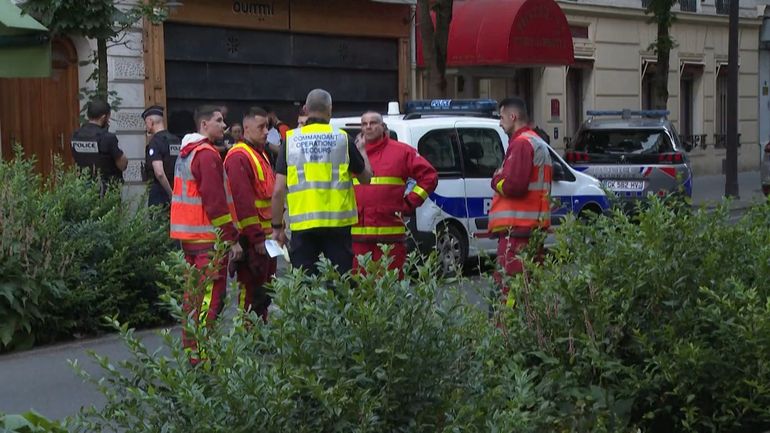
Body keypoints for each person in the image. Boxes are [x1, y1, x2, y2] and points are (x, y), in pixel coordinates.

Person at [271, 89, 373, 276]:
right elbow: (366, 179)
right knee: (341, 285)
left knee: (303, 286)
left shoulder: (290, 141)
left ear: (305, 109)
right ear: (330, 110)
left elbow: (278, 190)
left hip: (303, 226)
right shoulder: (343, 139)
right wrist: (363, 151)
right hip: (338, 226)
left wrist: (277, 227)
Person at [170, 105, 243, 362]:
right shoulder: (207, 154)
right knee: (211, 298)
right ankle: (202, 357)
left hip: (189, 238)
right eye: (219, 121)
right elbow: (215, 202)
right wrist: (231, 238)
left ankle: (193, 353)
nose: (224, 126)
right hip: (209, 240)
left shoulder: (186, 153)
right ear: (204, 125)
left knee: (193, 297)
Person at [352, 111, 438, 278]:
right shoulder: (352, 154)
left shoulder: (401, 152)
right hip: (358, 239)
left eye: (374, 122)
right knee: (360, 294)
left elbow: (430, 176)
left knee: (391, 293)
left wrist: (410, 202)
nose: (368, 126)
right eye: (364, 123)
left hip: (390, 240)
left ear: (383, 127)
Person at [489, 97, 552, 303]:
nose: (500, 122)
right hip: (530, 230)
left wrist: (496, 179)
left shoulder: (521, 144)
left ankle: (507, 332)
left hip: (516, 233)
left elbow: (514, 186)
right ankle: (531, 331)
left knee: (508, 290)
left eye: (501, 117)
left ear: (512, 116)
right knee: (527, 290)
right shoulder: (535, 142)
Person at [223, 107, 276, 320]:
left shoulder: (258, 153)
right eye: (261, 127)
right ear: (246, 128)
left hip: (265, 238)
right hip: (253, 240)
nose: (266, 132)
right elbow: (243, 203)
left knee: (263, 291)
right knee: (251, 291)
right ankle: (248, 338)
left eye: (267, 127)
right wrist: (256, 239)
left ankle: (258, 335)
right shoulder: (239, 157)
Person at [70, 99, 127, 196]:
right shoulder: (107, 138)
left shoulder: (75, 136)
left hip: (83, 189)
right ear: (104, 117)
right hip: (106, 190)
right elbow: (122, 165)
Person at [142, 105, 180, 207]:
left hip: (161, 193)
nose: (146, 126)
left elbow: (159, 173)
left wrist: (171, 194)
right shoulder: (176, 140)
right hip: (179, 189)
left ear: (150, 121)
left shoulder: (155, 142)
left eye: (146, 123)